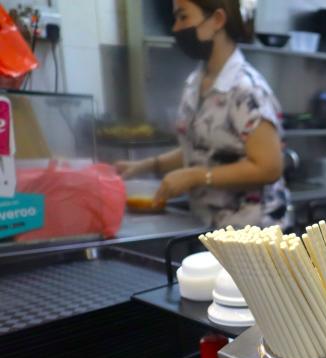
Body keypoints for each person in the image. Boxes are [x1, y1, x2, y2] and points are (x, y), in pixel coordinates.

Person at [117, 0, 288, 228]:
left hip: (255, 235)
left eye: (183, 17)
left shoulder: (246, 90)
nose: (176, 28)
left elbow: (270, 167)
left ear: (217, 19)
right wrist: (147, 165)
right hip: (214, 229)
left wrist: (197, 176)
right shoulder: (195, 83)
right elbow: (200, 147)